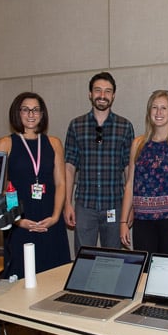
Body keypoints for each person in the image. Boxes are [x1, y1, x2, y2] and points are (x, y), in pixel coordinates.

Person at [0, 92, 71, 335]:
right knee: (27, 284)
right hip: (22, 221)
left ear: (42, 114)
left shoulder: (53, 143)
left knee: (51, 282)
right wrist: (16, 218)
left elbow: (61, 183)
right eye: (25, 110)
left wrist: (55, 215)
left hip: (50, 221)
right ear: (17, 113)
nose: (31, 114)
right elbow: (3, 186)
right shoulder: (6, 143)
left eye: (36, 109)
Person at [120, 90, 168, 260]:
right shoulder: (138, 144)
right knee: (144, 273)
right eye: (154, 107)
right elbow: (130, 184)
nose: (159, 112)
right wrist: (123, 222)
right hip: (142, 222)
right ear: (149, 111)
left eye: (163, 108)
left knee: (167, 275)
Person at [64, 72, 134, 251]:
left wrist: (129, 208)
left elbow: (129, 172)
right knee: (84, 259)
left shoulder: (125, 126)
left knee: (114, 260)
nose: (102, 95)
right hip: (85, 206)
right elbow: (69, 168)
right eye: (98, 90)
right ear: (90, 94)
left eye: (107, 91)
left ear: (113, 96)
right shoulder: (76, 125)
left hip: (115, 205)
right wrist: (67, 204)